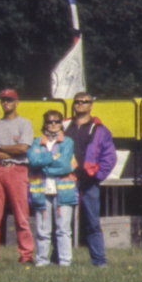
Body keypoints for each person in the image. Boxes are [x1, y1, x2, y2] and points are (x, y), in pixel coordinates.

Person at [0, 89, 35, 264]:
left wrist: (0, 147)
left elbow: (23, 148)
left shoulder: (24, 123)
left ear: (16, 102)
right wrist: (11, 151)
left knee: (21, 215)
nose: (6, 103)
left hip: (18, 170)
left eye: (10, 100)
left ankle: (26, 255)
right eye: (3, 100)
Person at [65, 92, 117, 267]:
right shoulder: (64, 126)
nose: (80, 104)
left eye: (85, 101)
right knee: (62, 222)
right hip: (66, 179)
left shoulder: (100, 129)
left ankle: (99, 261)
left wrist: (96, 176)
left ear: (91, 105)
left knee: (92, 222)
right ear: (73, 105)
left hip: (89, 182)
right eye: (77, 101)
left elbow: (110, 157)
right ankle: (59, 259)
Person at [26, 110, 78, 266]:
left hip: (64, 191)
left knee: (63, 229)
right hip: (41, 191)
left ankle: (65, 262)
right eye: (50, 121)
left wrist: (44, 165)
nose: (53, 124)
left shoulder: (67, 141)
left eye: (57, 121)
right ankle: (41, 261)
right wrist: (53, 158)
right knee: (42, 229)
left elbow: (64, 164)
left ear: (61, 123)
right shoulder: (36, 141)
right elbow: (33, 161)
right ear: (44, 124)